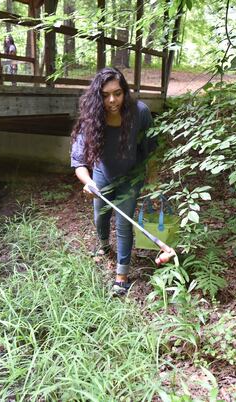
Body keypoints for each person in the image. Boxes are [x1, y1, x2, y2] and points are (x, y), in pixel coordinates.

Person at [70, 67, 156, 295]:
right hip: (101, 175)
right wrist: (88, 182)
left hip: (131, 176)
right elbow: (78, 160)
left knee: (124, 222)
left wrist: (148, 174)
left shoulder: (140, 112)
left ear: (124, 92)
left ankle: (121, 276)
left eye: (117, 93)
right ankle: (103, 246)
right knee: (100, 216)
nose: (112, 100)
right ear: (97, 96)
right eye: (105, 95)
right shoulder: (91, 117)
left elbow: (152, 147)